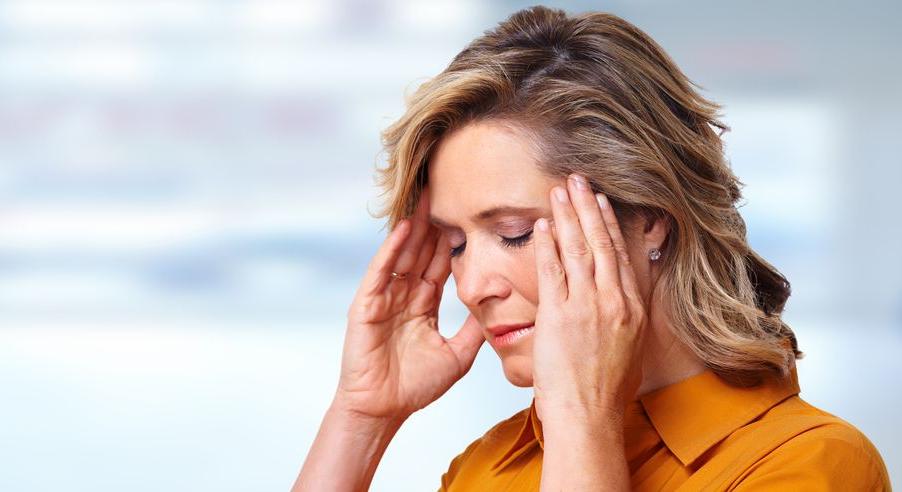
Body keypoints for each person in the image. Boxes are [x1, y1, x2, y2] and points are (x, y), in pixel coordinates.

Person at [292, 6, 890, 491]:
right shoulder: (490, 466)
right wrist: (361, 419)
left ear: (650, 216)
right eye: (454, 245)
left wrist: (584, 418)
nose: (472, 287)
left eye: (513, 234)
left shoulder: (811, 464)